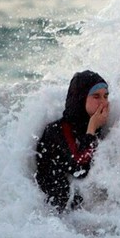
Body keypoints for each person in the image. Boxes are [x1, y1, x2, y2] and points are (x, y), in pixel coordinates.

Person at [35, 70, 110, 213]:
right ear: (81, 98)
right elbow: (79, 169)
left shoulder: (91, 125)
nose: (104, 103)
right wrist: (93, 128)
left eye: (106, 96)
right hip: (51, 212)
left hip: (75, 209)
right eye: (96, 96)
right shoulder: (57, 130)